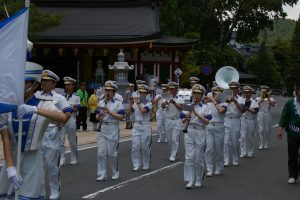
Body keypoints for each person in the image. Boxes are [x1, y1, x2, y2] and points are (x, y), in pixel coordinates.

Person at [0, 63, 69, 200]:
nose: (20, 85)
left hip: (33, 160)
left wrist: (35, 110)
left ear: (34, 84)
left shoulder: (44, 103)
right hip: (11, 159)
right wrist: (10, 168)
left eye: (24, 82)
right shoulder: (6, 105)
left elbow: (63, 118)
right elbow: (5, 138)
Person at [39, 70, 72, 200]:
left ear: (53, 83)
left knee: (52, 165)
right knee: (38, 166)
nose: (44, 83)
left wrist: (60, 126)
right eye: (43, 80)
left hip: (51, 132)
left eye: (47, 81)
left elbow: (67, 113)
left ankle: (54, 191)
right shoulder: (37, 95)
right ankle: (39, 190)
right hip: (38, 133)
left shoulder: (59, 97)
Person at [181, 84, 211, 189]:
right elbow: (183, 120)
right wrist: (188, 114)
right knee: (189, 157)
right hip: (189, 131)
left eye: (198, 94)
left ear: (202, 95)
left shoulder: (206, 107)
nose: (196, 95)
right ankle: (190, 180)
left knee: (198, 158)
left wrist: (196, 113)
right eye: (195, 93)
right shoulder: (188, 104)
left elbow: (207, 122)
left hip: (200, 131)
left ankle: (198, 179)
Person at [96, 81, 125, 181]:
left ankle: (115, 172)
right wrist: (100, 115)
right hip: (103, 128)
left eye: (109, 91)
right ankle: (102, 173)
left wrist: (109, 112)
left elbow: (121, 117)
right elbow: (97, 117)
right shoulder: (101, 102)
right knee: (101, 153)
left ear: (114, 92)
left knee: (112, 153)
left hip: (113, 128)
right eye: (106, 90)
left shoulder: (118, 103)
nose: (107, 92)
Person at [278, 87, 300, 184]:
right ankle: (292, 176)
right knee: (292, 155)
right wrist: (280, 129)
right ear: (296, 94)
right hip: (292, 133)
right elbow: (284, 116)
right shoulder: (290, 104)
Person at [128, 84, 152, 171]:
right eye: (140, 93)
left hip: (145, 126)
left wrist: (137, 103)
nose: (142, 94)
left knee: (145, 147)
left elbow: (142, 111)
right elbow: (129, 113)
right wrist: (131, 103)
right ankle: (136, 164)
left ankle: (146, 163)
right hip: (136, 125)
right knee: (135, 146)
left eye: (144, 93)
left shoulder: (149, 104)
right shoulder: (135, 104)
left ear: (147, 94)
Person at [205, 86, 227, 176]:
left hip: (219, 127)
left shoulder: (225, 104)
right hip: (209, 127)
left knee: (218, 149)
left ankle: (219, 167)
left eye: (218, 93)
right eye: (214, 93)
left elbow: (221, 110)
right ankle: (209, 169)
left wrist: (214, 102)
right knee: (209, 149)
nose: (215, 95)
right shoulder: (208, 105)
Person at [60, 77, 81, 166]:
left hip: (71, 119)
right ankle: (61, 158)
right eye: (65, 85)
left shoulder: (76, 97)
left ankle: (73, 158)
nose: (67, 86)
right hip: (61, 118)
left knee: (72, 140)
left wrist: (69, 108)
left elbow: (77, 108)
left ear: (73, 85)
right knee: (60, 140)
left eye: (69, 85)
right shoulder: (61, 96)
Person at [224, 81, 245, 167]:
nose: (233, 89)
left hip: (236, 120)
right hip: (226, 119)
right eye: (231, 88)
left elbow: (242, 110)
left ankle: (235, 159)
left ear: (237, 89)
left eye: (234, 88)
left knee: (234, 141)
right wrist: (228, 100)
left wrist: (235, 101)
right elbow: (222, 108)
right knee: (225, 141)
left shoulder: (241, 99)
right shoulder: (225, 98)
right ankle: (226, 160)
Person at [163, 81, 184, 162]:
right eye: (170, 89)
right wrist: (165, 103)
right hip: (168, 120)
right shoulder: (166, 96)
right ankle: (173, 151)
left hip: (176, 120)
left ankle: (173, 154)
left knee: (174, 138)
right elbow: (162, 106)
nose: (171, 91)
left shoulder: (181, 97)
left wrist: (174, 102)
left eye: (173, 89)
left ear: (176, 89)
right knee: (169, 139)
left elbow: (181, 108)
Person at [239, 86, 258, 158]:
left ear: (251, 93)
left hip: (251, 120)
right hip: (243, 119)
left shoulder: (254, 102)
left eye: (249, 92)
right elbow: (240, 109)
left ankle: (250, 151)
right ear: (243, 93)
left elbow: (255, 112)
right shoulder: (241, 101)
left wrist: (249, 109)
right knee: (243, 136)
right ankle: (243, 152)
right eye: (245, 92)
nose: (247, 94)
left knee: (250, 137)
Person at [257, 85, 275, 149]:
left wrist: (268, 98)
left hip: (267, 113)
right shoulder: (258, 98)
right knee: (261, 130)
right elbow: (257, 104)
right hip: (260, 114)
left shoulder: (271, 98)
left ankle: (266, 143)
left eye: (265, 91)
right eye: (262, 91)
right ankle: (261, 143)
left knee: (267, 130)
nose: (263, 92)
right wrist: (263, 97)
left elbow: (273, 105)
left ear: (267, 91)